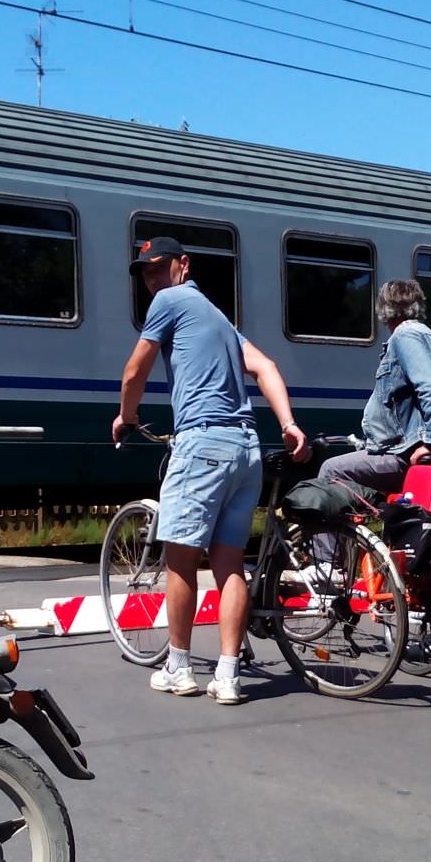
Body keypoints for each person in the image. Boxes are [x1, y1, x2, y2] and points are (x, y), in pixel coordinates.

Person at [115, 235, 308, 704]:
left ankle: (178, 666)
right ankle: (227, 675)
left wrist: (127, 415)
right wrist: (288, 423)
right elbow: (265, 366)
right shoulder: (219, 319)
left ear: (184, 264)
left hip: (203, 444)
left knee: (180, 560)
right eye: (145, 272)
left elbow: (134, 371)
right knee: (228, 563)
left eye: (159, 267)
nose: (152, 279)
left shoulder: (171, 301)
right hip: (246, 450)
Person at [315, 277, 431, 531]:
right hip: (423, 452)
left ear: (384, 310)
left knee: (330, 470)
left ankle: (329, 563)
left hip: (407, 455)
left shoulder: (404, 336)